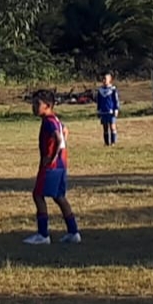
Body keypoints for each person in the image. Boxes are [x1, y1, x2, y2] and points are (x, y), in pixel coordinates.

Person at [23, 89, 81, 245]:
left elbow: (58, 137)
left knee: (38, 195)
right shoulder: (55, 119)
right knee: (59, 197)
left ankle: (43, 235)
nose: (34, 107)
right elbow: (65, 131)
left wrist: (52, 156)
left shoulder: (49, 121)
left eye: (37, 104)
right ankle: (73, 232)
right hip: (62, 164)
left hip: (51, 165)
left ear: (48, 106)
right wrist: (62, 151)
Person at [94, 73, 120, 146]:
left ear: (110, 80)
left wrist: (116, 109)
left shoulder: (113, 89)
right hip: (103, 111)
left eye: (105, 79)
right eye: (103, 79)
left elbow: (116, 100)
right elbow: (99, 101)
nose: (104, 80)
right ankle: (106, 143)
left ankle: (113, 142)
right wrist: (98, 110)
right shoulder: (100, 90)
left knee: (112, 126)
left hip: (111, 111)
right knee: (105, 127)